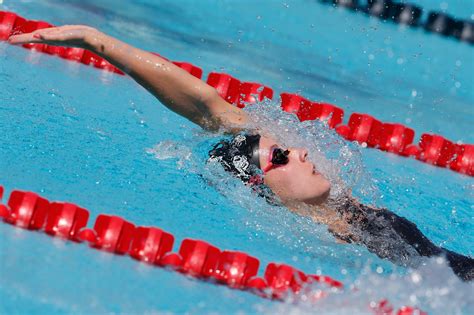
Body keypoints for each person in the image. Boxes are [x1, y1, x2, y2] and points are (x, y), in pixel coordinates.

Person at [8, 25, 474, 281]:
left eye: (286, 148)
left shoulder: (342, 211)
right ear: (257, 187)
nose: (298, 153)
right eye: (280, 158)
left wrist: (99, 41)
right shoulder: (327, 241)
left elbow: (207, 108)